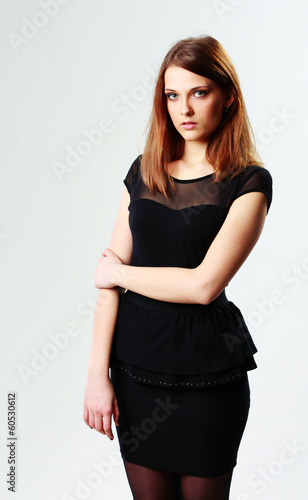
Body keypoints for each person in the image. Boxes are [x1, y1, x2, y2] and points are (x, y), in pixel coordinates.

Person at [83, 35, 273, 500]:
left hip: (209, 376)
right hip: (134, 369)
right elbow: (106, 279)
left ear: (227, 96)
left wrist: (122, 276)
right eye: (172, 95)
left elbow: (203, 285)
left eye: (199, 92)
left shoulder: (249, 181)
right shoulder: (143, 171)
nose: (183, 108)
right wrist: (95, 375)